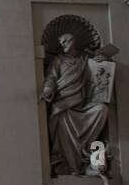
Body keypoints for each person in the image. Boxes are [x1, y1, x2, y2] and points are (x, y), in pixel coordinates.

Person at [42, 33, 107, 176]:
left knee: (101, 109)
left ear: (74, 41)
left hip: (83, 103)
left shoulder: (85, 58)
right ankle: (73, 167)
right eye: (61, 43)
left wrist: (101, 61)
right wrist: (48, 89)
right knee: (63, 120)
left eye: (65, 41)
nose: (63, 44)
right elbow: (51, 77)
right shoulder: (58, 60)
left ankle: (89, 150)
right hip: (63, 102)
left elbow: (99, 73)